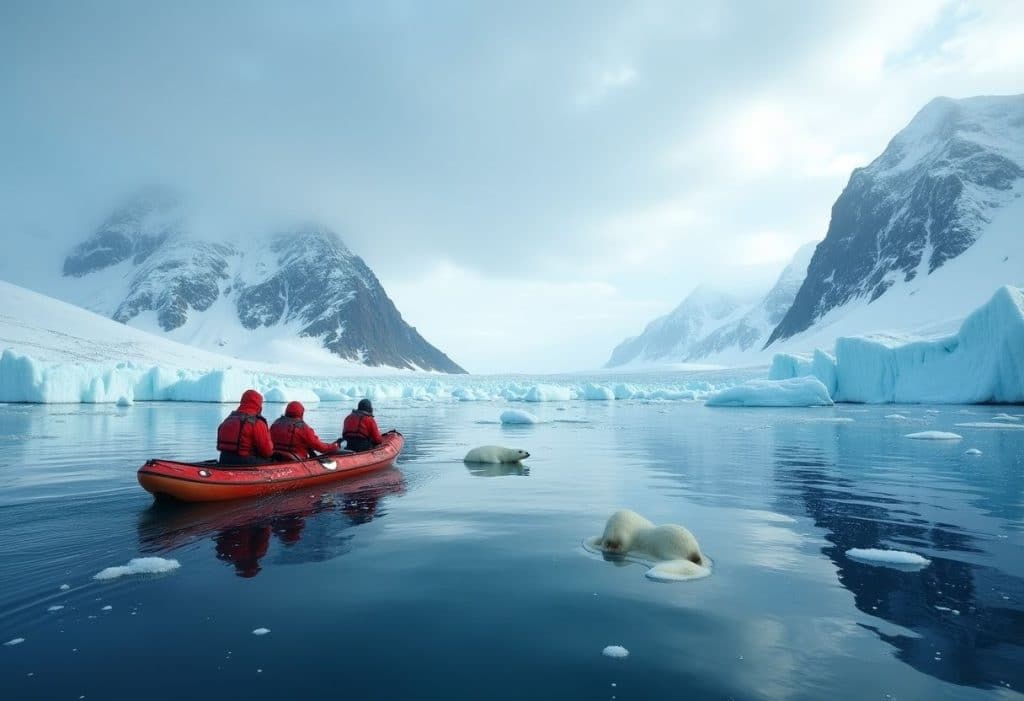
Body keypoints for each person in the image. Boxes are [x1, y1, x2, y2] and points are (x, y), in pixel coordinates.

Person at [216, 389, 274, 466]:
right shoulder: (256, 423)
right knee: (273, 461)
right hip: (244, 462)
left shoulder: (228, 419)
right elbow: (267, 452)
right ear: (258, 404)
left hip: (223, 459)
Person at [270, 401, 339, 459]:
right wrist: (334, 446)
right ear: (301, 413)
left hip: (275, 459)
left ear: (286, 411)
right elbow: (320, 447)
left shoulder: (276, 423)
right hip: (295, 461)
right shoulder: (302, 428)